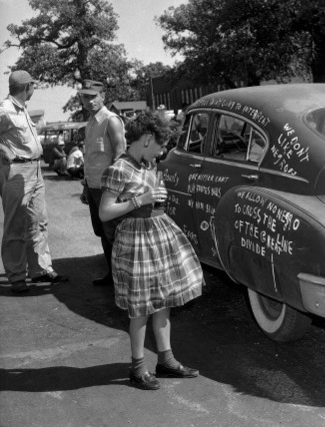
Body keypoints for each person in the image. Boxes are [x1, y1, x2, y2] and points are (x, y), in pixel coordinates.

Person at [99, 111, 203, 390]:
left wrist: (157, 197)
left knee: (163, 300)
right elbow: (105, 211)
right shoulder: (120, 168)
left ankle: (166, 360)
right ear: (147, 139)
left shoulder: (147, 164)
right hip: (136, 241)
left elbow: (152, 194)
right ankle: (138, 368)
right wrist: (140, 199)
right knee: (141, 308)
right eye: (160, 146)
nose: (162, 152)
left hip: (158, 236)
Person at [0, 70, 69, 293]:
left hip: (35, 168)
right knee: (15, 225)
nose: (34, 90)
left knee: (38, 222)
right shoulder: (5, 111)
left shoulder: (21, 110)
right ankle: (17, 276)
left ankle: (40, 269)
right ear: (27, 87)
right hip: (16, 170)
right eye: (33, 86)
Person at [79, 80, 126, 285]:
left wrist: (112, 187)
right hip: (93, 186)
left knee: (114, 234)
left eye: (93, 96)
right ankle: (112, 275)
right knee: (102, 233)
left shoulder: (111, 120)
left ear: (103, 97)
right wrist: (85, 186)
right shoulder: (90, 123)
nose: (89, 101)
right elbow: (90, 157)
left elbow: (120, 152)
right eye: (85, 97)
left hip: (107, 188)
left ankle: (124, 279)